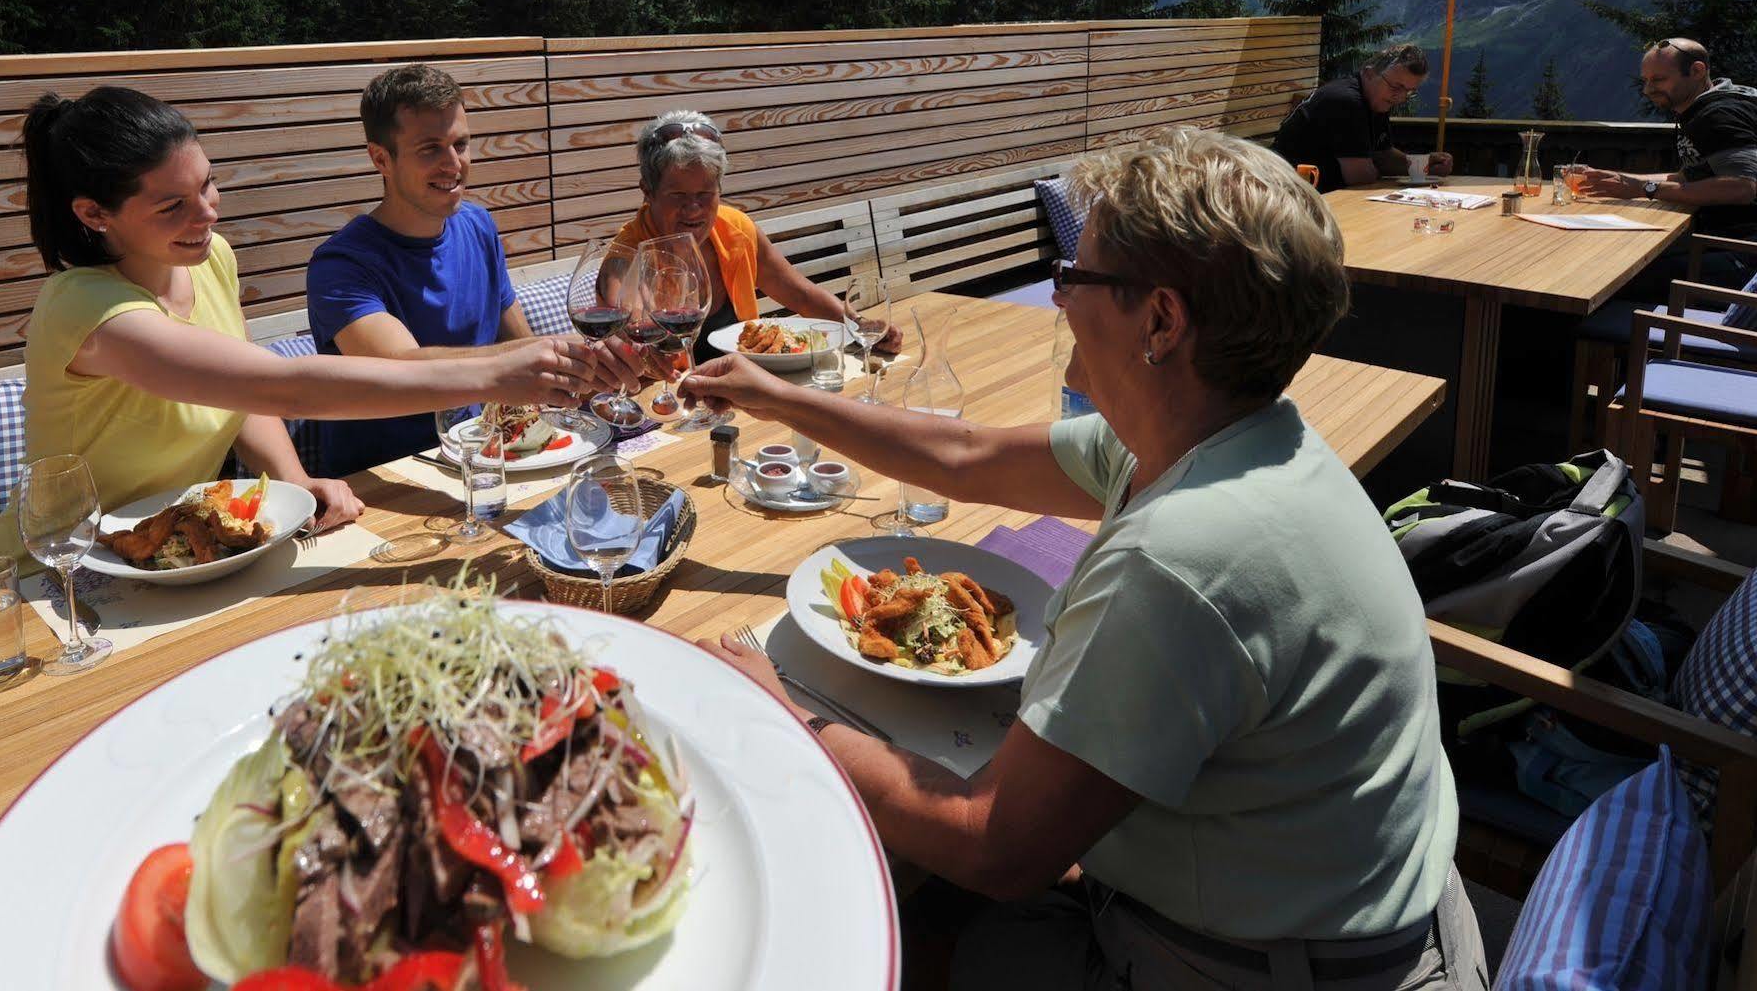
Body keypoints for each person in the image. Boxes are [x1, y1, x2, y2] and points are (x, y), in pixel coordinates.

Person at [682, 128, 1482, 990]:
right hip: (1355, 914)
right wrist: (776, 393)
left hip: (1268, 969)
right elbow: (964, 455)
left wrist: (780, 713)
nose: (1057, 297)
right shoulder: (1227, 438)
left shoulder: (1181, 555)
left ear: (1161, 320)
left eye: (1076, 274)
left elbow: (990, 842)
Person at [0, 86, 597, 565]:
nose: (207, 213)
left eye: (208, 185)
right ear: (93, 214)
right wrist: (497, 374)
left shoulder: (210, 259)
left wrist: (298, 485)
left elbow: (244, 397)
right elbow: (281, 385)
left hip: (183, 550)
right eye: (174, 205)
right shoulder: (85, 307)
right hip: (63, 571)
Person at [305, 64, 642, 476]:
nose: (454, 164)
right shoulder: (341, 264)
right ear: (381, 159)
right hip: (388, 479)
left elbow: (520, 341)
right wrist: (547, 354)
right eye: (430, 149)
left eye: (461, 144)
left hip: (491, 461)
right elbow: (400, 368)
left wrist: (585, 368)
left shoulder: (477, 226)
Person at [612, 108, 896, 350]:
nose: (694, 209)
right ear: (648, 192)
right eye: (678, 196)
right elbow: (634, 341)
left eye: (706, 193)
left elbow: (800, 295)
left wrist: (861, 328)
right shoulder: (628, 256)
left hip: (744, 392)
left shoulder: (735, 229)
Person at [1578, 38, 1757, 235]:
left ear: (1697, 71)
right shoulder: (1702, 110)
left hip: (1739, 246)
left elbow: (1743, 188)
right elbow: (1686, 177)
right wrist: (1619, 179)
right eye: (1645, 81)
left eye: (1658, 80)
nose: (1647, 90)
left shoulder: (1718, 116)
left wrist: (1645, 189)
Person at [1272, 44, 1451, 191]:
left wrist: (1426, 165)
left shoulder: (1376, 100)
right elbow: (1360, 176)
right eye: (1396, 87)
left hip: (1316, 194)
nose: (1401, 97)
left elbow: (1384, 155)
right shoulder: (1346, 101)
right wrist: (1375, 166)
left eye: (1409, 91)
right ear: (1369, 73)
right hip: (1285, 196)